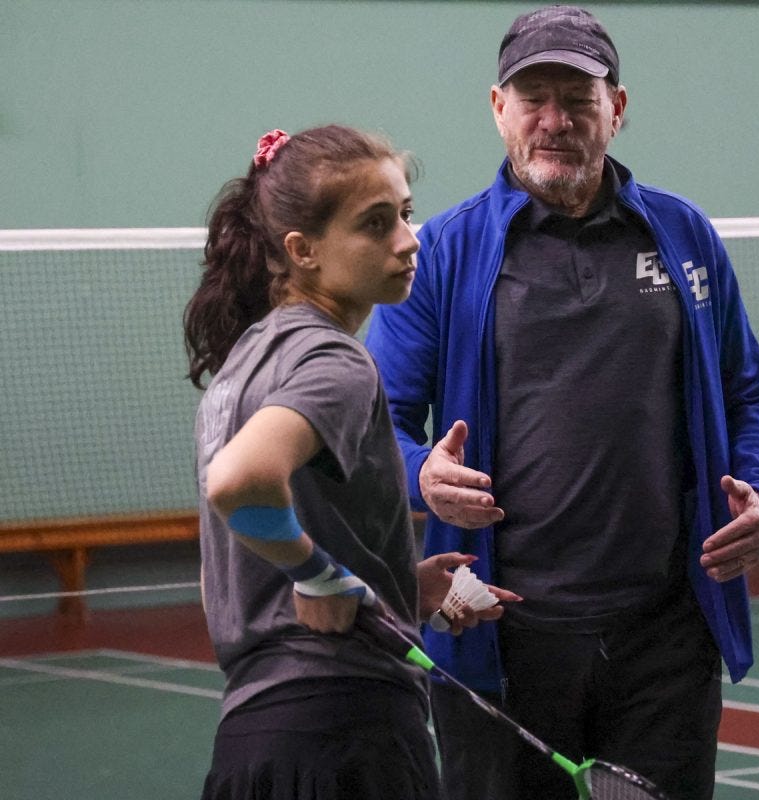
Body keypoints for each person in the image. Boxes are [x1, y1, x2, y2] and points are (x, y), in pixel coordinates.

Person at [364, 5, 759, 799]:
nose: (554, 121)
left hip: (665, 641)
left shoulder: (684, 236)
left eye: (578, 99)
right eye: (534, 98)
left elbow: (746, 396)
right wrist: (421, 473)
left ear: (616, 111)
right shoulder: (443, 253)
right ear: (499, 110)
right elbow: (372, 427)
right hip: (500, 637)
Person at [184, 124, 516, 800]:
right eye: (375, 224)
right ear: (302, 252)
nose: (408, 240)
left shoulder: (244, 363)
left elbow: (264, 528)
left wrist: (393, 584)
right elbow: (240, 482)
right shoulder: (335, 361)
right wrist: (317, 577)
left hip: (254, 739)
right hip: (346, 732)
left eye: (405, 213)